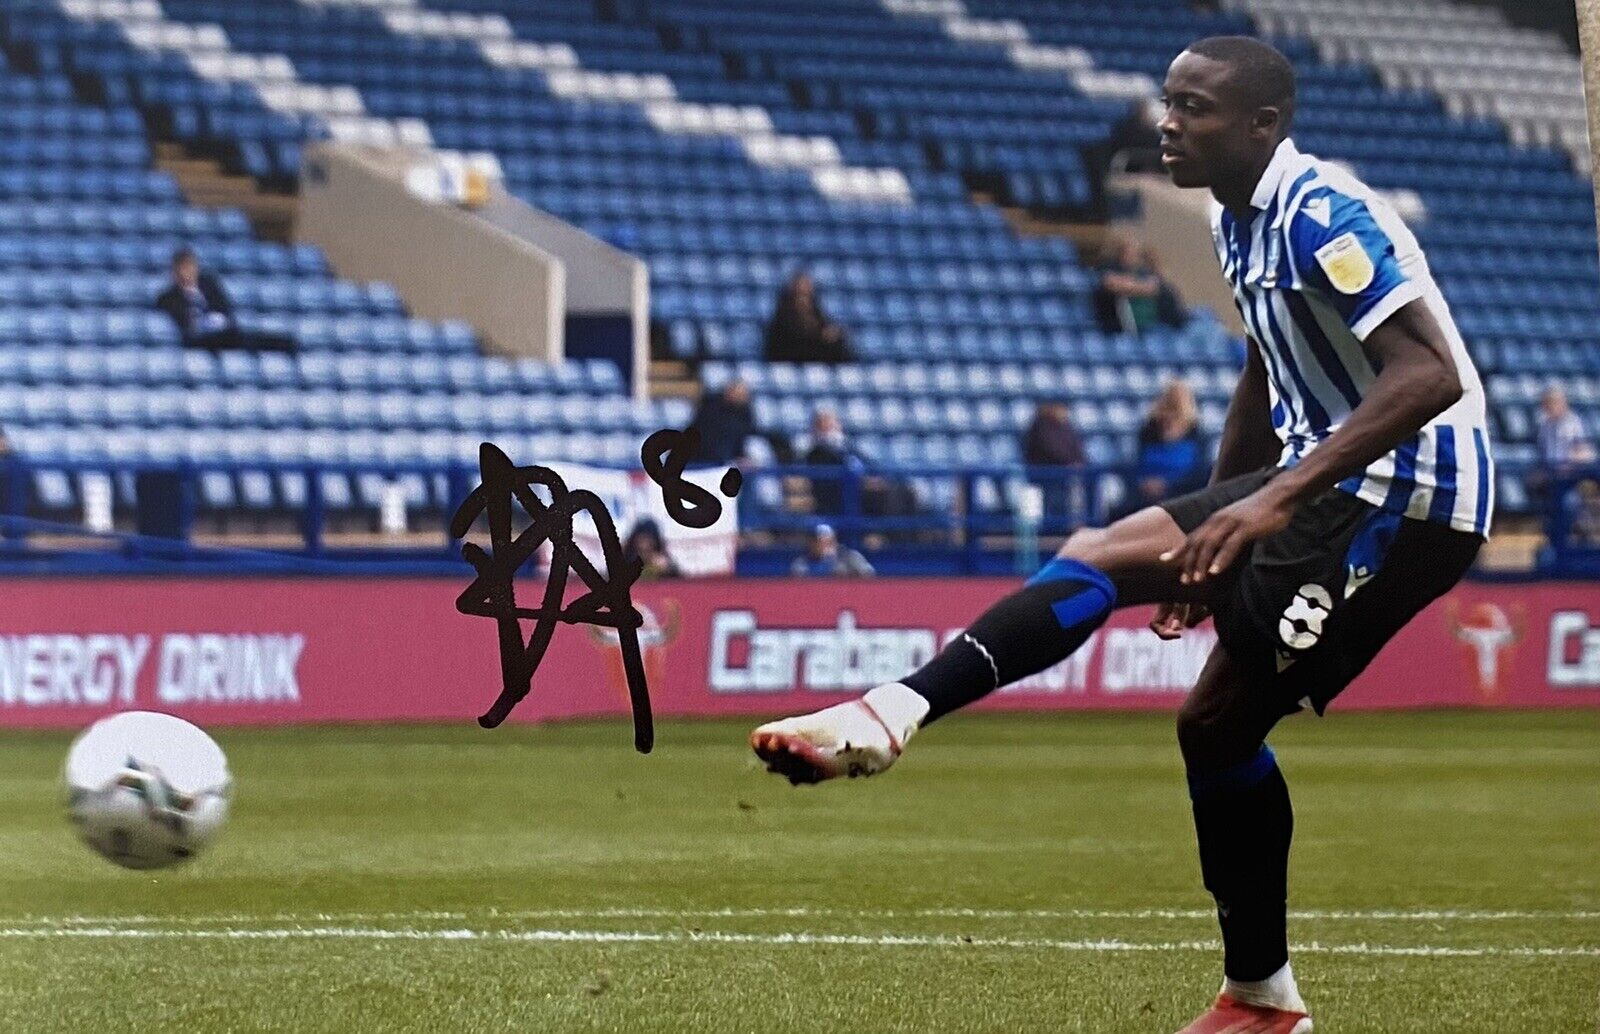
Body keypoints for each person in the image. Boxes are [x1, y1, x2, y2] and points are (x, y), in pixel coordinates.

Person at [749, 36, 1492, 1034]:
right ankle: (1259, 1000)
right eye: (1166, 101)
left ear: (1262, 125)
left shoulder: (1324, 216)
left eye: (1195, 108)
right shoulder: (1240, 219)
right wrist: (1226, 504)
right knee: (1144, 618)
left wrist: (1264, 505)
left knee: (1213, 714)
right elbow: (1266, 371)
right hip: (1325, 475)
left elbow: (1427, 374)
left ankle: (1259, 1000)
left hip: (1408, 498)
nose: (1168, 123)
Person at [1126, 379, 1210, 512]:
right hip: (1146, 500)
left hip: (1184, 499)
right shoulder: (1148, 432)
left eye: (1175, 413)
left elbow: (1200, 475)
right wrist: (1145, 484)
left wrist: (1167, 486)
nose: (1169, 419)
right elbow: (1136, 466)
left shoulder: (1197, 436)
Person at [1093, 237, 1188, 335]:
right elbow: (1112, 283)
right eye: (1129, 251)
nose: (1133, 255)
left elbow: (1152, 287)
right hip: (1114, 321)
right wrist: (1134, 287)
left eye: (1135, 253)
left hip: (1161, 321)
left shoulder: (1141, 270)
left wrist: (1133, 286)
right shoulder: (1109, 266)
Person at [155, 247, 237, 349]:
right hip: (195, 341)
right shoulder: (167, 298)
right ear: (175, 271)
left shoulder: (210, 285)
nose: (188, 271)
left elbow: (226, 309)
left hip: (223, 335)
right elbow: (182, 326)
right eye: (183, 267)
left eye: (191, 265)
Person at [764, 271, 854, 364]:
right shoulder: (780, 323)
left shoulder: (818, 316)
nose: (803, 300)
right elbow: (788, 350)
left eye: (807, 295)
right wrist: (820, 339)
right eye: (800, 294)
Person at [686, 378, 759, 467]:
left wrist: (741, 458)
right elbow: (707, 440)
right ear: (728, 392)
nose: (742, 397)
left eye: (744, 395)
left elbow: (740, 440)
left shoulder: (745, 414)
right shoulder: (710, 409)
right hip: (703, 459)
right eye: (738, 394)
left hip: (728, 460)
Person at [789, 522, 874, 577]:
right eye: (820, 542)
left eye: (830, 541)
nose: (826, 546)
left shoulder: (851, 556)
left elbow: (869, 574)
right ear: (812, 543)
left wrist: (848, 575)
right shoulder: (801, 562)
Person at [1021, 400, 1086, 468]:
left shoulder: (1065, 426)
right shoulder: (1041, 425)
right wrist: (1069, 462)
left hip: (1065, 469)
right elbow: (1049, 448)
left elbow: (1076, 446)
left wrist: (1078, 461)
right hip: (1045, 469)